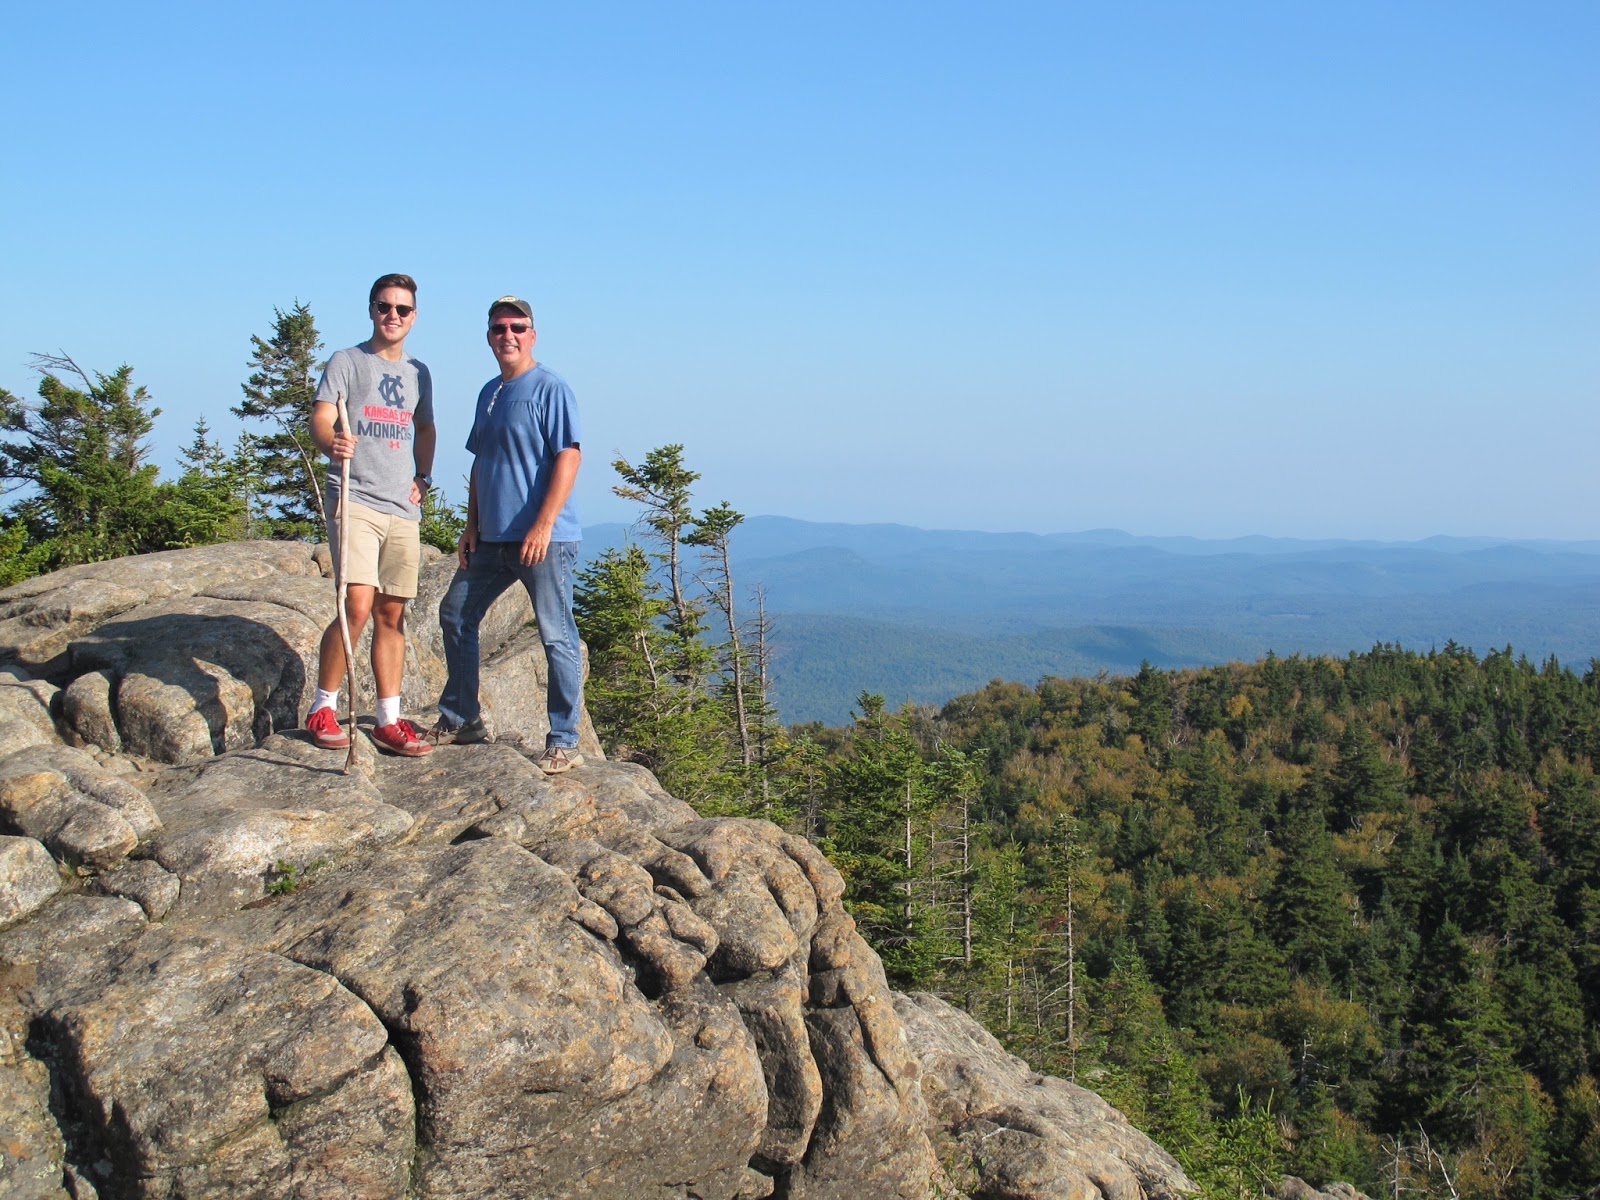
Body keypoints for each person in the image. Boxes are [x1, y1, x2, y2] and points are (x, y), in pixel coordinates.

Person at [429, 295, 585, 773]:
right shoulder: (489, 392)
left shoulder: (550, 388)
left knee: (557, 635)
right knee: (455, 615)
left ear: (532, 334)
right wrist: (471, 524)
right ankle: (462, 718)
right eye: (499, 328)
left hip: (543, 539)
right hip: (492, 538)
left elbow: (569, 456)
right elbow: (482, 462)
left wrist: (542, 524)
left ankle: (565, 740)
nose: (508, 335)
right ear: (489, 336)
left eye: (518, 327)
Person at [304, 273, 438, 757]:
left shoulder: (419, 373)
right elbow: (322, 417)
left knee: (392, 613)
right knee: (356, 604)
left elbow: (424, 426)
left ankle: (388, 718)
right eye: (385, 306)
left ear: (414, 316)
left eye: (402, 309)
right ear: (371, 309)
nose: (393, 316)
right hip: (354, 498)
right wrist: (330, 441)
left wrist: (424, 477)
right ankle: (323, 706)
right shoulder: (347, 361)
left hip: (402, 507)